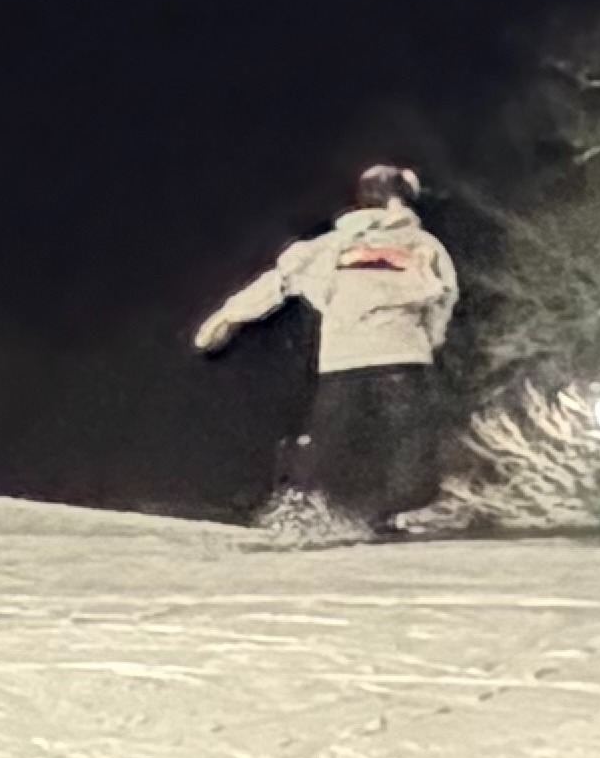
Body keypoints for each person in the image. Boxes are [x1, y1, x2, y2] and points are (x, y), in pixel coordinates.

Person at [195, 163, 462, 535]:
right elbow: (443, 299)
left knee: (331, 443)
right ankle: (397, 510)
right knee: (408, 441)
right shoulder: (424, 246)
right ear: (403, 198)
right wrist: (430, 340)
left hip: (343, 361)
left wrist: (225, 320)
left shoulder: (329, 247)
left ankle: (309, 506)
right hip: (402, 358)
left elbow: (277, 283)